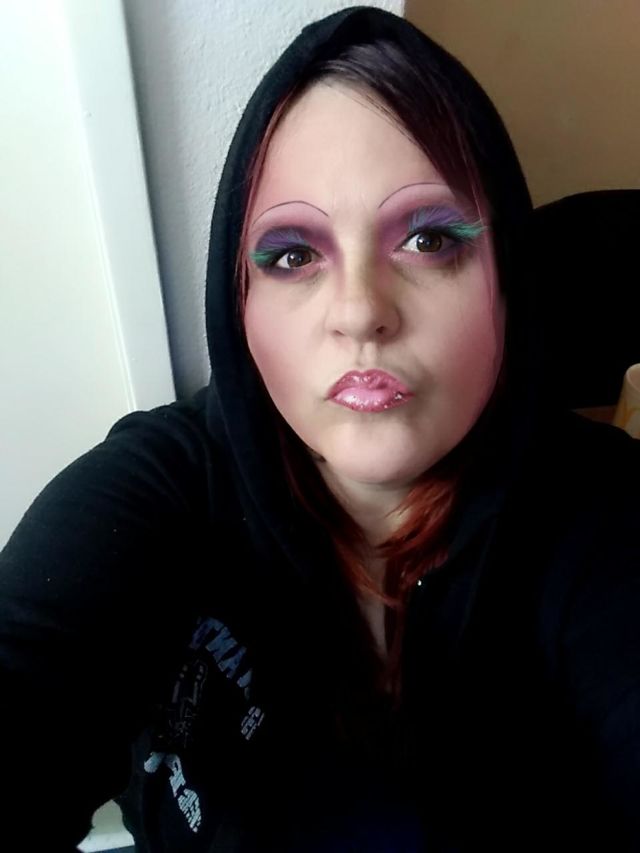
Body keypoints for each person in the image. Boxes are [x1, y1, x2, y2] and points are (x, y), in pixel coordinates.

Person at [1, 6, 639, 851]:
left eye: (429, 238)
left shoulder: (605, 517)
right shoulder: (161, 491)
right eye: (293, 254)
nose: (361, 311)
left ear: (508, 280)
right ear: (238, 301)